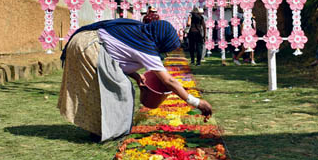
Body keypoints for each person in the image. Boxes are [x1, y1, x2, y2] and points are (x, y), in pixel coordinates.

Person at [58, 18, 212, 142]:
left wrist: (137, 76)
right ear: (161, 39)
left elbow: (117, 53)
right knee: (119, 88)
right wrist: (196, 102)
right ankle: (108, 131)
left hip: (85, 42)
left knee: (110, 88)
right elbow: (169, 82)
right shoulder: (145, 45)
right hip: (88, 47)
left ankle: (101, 129)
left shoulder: (140, 33)